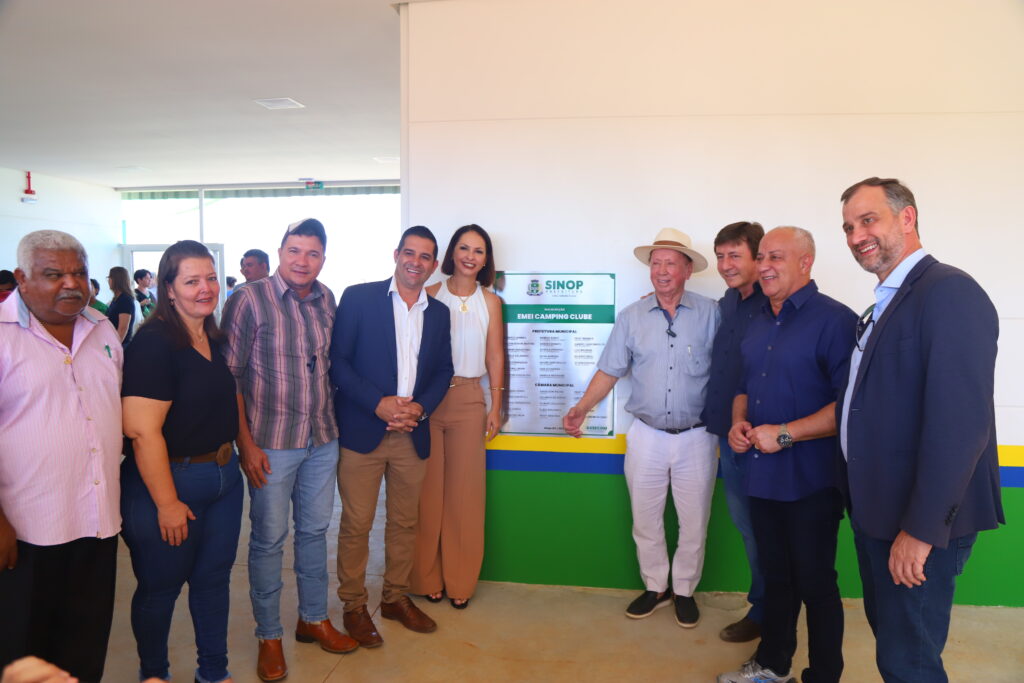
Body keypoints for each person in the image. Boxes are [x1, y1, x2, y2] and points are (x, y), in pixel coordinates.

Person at [837, 177, 1003, 682]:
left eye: (868, 220)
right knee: (897, 648)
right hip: (878, 514)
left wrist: (922, 530)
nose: (856, 236)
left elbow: (962, 425)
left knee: (909, 663)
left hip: (916, 525)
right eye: (848, 227)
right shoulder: (888, 301)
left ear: (907, 217)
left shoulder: (948, 291)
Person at [718, 227, 856, 683]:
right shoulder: (757, 319)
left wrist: (785, 434)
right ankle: (772, 665)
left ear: (805, 262)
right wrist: (739, 422)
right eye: (761, 257)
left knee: (815, 584)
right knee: (775, 578)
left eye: (775, 257)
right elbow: (744, 385)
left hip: (812, 480)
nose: (764, 266)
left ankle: (824, 675)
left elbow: (849, 405)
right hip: (761, 477)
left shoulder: (835, 320)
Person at [563, 228, 719, 629]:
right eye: (656, 263)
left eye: (671, 263)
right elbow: (610, 370)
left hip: (698, 436)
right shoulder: (631, 317)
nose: (661, 271)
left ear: (688, 270)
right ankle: (656, 587)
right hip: (646, 435)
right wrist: (581, 408)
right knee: (645, 520)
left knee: (694, 523)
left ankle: (684, 590)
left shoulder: (713, 314)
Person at [221, 219, 356, 682]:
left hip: (322, 438)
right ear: (280, 252)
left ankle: (313, 619)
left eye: (313, 253)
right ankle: (269, 635)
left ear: (323, 258)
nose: (303, 261)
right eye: (295, 251)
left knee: (315, 533)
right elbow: (230, 377)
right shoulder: (248, 299)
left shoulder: (327, 299)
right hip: (271, 444)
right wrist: (245, 442)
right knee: (268, 539)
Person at [0, 230, 123, 683]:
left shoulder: (102, 327)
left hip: (97, 522)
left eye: (79, 273)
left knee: (86, 644)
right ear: (22, 278)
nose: (71, 284)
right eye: (54, 274)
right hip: (28, 530)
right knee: (25, 649)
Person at [120, 240, 244, 683]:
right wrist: (167, 503)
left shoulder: (212, 336)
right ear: (168, 290)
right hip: (171, 483)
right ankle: (154, 673)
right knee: (161, 589)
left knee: (213, 581)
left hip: (224, 480)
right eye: (192, 281)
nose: (205, 288)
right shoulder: (153, 344)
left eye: (210, 278)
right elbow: (141, 431)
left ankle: (213, 671)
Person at [330, 225, 454, 646]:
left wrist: (420, 409)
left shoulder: (439, 313)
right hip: (363, 431)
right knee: (356, 524)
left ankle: (395, 598)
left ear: (433, 266)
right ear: (396, 254)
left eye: (425, 256)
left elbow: (443, 370)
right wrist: (377, 404)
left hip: (412, 434)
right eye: (409, 253)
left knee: (404, 522)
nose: (415, 262)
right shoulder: (358, 298)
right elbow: (338, 362)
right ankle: (353, 606)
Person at [410, 224, 505, 609]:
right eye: (464, 248)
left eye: (478, 251)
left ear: (485, 260)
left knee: (465, 495)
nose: (470, 256)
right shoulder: (430, 293)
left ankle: (460, 580)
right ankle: (426, 577)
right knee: (427, 493)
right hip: (429, 401)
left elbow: (495, 355)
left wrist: (496, 405)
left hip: (469, 400)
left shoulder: (491, 302)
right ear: (451, 253)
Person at [701, 221, 767, 644]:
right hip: (729, 436)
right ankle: (766, 605)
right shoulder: (729, 301)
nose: (726, 265)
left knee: (763, 530)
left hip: (761, 439)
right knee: (748, 527)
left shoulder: (773, 303)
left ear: (758, 258)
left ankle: (766, 611)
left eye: (735, 256)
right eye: (721, 256)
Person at [107, 265, 136, 346]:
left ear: (116, 280)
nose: (108, 280)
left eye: (109, 278)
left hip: (122, 345)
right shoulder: (116, 298)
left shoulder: (125, 299)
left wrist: (114, 347)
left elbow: (123, 328)